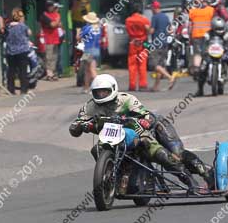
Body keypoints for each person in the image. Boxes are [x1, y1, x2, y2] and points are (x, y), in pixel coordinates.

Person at [68, 75, 207, 192]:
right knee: (96, 149)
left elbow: (146, 115)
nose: (101, 95)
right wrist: (78, 126)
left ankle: (190, 181)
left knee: (163, 155)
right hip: (110, 137)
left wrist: (144, 121)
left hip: (137, 134)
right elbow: (78, 123)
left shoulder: (126, 99)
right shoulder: (90, 106)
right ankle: (111, 175)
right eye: (98, 92)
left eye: (104, 92)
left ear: (113, 89)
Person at [196, 16, 228, 96]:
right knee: (202, 68)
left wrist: (226, 48)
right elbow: (203, 44)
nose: (220, 30)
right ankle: (200, 90)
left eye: (221, 28)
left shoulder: (227, 34)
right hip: (210, 53)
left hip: (223, 52)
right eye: (218, 28)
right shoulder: (208, 34)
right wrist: (204, 50)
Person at [149, 1, 175, 92]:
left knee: (154, 65)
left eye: (151, 8)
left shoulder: (154, 17)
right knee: (160, 65)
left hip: (156, 44)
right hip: (165, 44)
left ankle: (170, 77)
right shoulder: (165, 17)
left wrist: (147, 29)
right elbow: (171, 30)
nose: (151, 10)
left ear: (154, 8)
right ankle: (156, 87)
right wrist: (165, 34)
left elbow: (151, 31)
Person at [125, 5, 152, 92]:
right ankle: (142, 85)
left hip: (132, 43)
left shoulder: (128, 20)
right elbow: (148, 29)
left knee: (132, 65)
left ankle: (132, 85)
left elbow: (128, 31)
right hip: (142, 43)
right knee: (142, 64)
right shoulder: (144, 19)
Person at [5, 8, 32, 95]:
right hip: (22, 51)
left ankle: (11, 89)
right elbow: (29, 33)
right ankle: (24, 89)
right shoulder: (23, 26)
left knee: (11, 70)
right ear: (20, 17)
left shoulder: (8, 26)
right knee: (22, 71)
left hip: (10, 52)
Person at [188, 0, 215, 74]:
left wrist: (190, 37)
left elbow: (190, 26)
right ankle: (209, 69)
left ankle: (196, 69)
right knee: (208, 52)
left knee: (197, 53)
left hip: (196, 36)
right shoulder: (211, 10)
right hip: (208, 36)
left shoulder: (192, 11)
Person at [78, 12, 103, 94]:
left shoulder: (87, 28)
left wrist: (78, 32)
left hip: (88, 50)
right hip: (96, 49)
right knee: (88, 69)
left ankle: (99, 87)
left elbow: (79, 38)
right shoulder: (98, 28)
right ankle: (86, 87)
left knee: (90, 70)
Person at [40, 0, 62, 80]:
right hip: (48, 39)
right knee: (48, 57)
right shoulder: (44, 15)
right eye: (51, 6)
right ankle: (49, 73)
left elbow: (59, 24)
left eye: (53, 6)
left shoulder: (55, 14)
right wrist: (58, 19)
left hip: (55, 38)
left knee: (55, 57)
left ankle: (52, 73)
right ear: (47, 7)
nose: (53, 7)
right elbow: (53, 25)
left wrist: (57, 21)